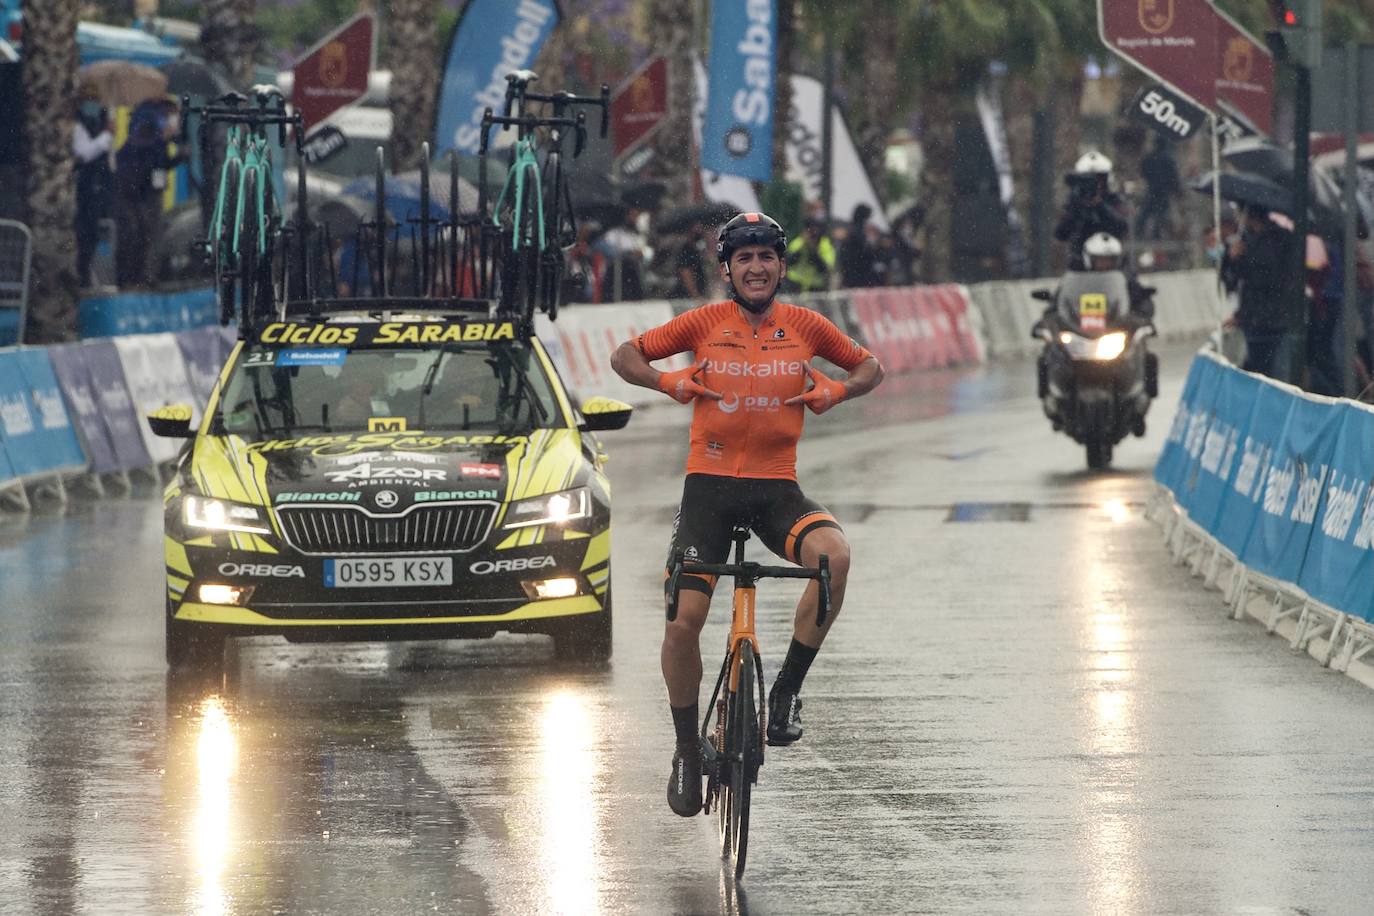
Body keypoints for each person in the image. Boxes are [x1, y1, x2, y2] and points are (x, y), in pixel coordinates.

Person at [608, 212, 885, 818]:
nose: (756, 267)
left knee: (833, 557)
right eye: (744, 259)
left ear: (780, 267)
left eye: (766, 257)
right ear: (728, 270)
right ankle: (686, 749)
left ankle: (785, 691)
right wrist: (667, 381)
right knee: (684, 618)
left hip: (775, 491)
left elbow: (870, 367)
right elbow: (624, 354)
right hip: (708, 489)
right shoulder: (704, 322)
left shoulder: (807, 326)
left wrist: (836, 392)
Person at [114, 99, 186, 289]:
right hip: (137, 190)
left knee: (148, 234)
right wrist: (163, 138)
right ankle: (135, 278)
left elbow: (160, 164)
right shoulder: (148, 124)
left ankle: (145, 277)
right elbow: (143, 153)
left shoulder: (158, 133)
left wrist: (177, 156)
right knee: (140, 234)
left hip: (147, 189)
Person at [1223, 204, 1294, 380]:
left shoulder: (1272, 240)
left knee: (1271, 374)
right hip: (1259, 318)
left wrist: (1241, 259)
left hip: (1269, 318)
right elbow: (1234, 280)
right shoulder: (1250, 240)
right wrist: (1231, 258)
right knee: (1260, 370)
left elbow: (1261, 279)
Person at [1055, 151, 1128, 267]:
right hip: (1080, 265)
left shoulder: (1114, 200)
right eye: (1087, 180)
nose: (1095, 185)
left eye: (1100, 179)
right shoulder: (1075, 203)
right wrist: (1077, 208)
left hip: (1112, 264)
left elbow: (1122, 227)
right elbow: (1061, 233)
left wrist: (1099, 205)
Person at [73, 92, 113, 290]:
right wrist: (106, 135)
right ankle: (80, 277)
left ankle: (84, 274)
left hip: (95, 190)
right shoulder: (74, 124)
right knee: (83, 234)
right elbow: (85, 153)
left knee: (91, 234)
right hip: (82, 191)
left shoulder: (88, 122)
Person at [1135, 135, 1181, 241]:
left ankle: (1140, 231)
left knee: (1147, 211)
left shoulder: (1150, 157)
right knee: (1159, 213)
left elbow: (1143, 171)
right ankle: (1154, 233)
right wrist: (1175, 189)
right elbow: (1174, 176)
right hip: (1162, 190)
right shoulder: (1168, 159)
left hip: (1153, 189)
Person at [785, 215, 836, 294]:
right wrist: (804, 246)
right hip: (796, 286)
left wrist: (813, 251)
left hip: (816, 289)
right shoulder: (799, 242)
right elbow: (788, 262)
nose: (813, 234)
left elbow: (825, 269)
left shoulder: (825, 245)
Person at [839, 203, 881, 288]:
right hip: (859, 275)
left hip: (853, 274)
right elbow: (865, 251)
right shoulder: (858, 231)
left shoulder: (852, 229)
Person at [669, 221, 709, 299]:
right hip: (686, 297)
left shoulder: (696, 248)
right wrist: (695, 295)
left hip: (696, 295)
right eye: (697, 227)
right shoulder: (686, 249)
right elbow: (685, 273)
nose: (700, 230)